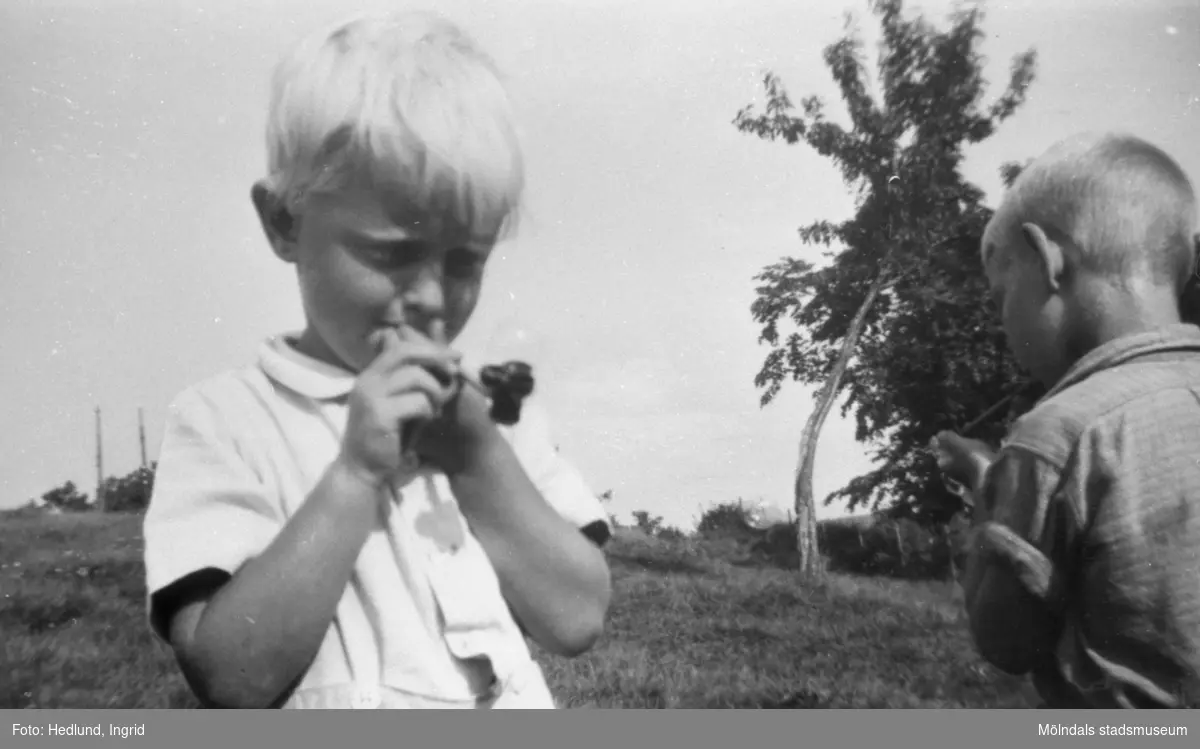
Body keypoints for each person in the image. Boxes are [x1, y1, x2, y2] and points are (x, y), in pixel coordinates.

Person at [142, 11, 613, 710]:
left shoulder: (492, 420)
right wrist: (356, 472)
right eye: (391, 253)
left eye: (464, 262)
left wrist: (477, 454)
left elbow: (576, 618)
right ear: (285, 224)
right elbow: (231, 678)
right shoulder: (227, 422)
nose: (429, 298)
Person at [933, 132, 1200, 708]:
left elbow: (1006, 642)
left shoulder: (1059, 436)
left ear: (1047, 258)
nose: (1003, 324)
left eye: (1002, 296)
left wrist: (989, 497)